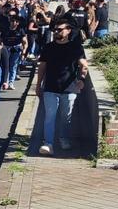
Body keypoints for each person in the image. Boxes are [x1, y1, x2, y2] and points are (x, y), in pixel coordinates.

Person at [36, 16, 89, 155]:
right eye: (54, 30)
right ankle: (48, 143)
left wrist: (81, 79)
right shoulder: (48, 47)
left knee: (66, 116)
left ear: (68, 31)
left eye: (59, 30)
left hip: (70, 88)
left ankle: (64, 138)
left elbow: (84, 65)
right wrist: (38, 85)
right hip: (50, 87)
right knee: (50, 116)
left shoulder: (76, 47)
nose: (56, 32)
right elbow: (42, 67)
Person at [1, 16, 27, 90]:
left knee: (13, 66)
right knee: (6, 65)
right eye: (12, 21)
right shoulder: (5, 29)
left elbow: (24, 41)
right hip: (6, 48)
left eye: (15, 21)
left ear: (18, 23)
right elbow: (0, 40)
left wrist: (24, 52)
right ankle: (5, 81)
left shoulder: (20, 30)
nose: (13, 22)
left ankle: (11, 83)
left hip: (16, 49)